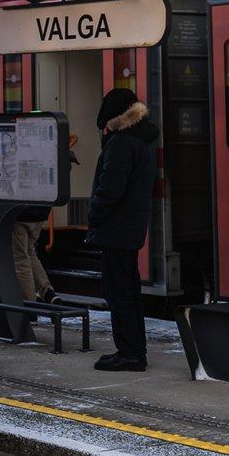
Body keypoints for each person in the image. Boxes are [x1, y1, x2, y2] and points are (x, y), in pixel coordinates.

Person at [84, 88, 158, 371]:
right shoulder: (143, 139)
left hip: (116, 228)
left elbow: (110, 190)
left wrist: (94, 215)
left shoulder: (121, 143)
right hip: (130, 227)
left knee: (118, 292)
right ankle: (134, 349)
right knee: (128, 290)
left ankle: (130, 353)